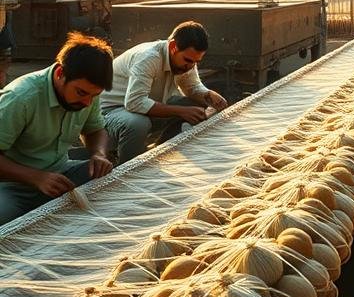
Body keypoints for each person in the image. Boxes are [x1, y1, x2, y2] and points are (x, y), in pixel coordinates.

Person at [0, 33, 114, 225]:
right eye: (81, 93)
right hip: (13, 186)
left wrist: (99, 154)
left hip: (60, 175)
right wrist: (37, 178)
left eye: (94, 96)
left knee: (106, 178)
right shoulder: (21, 97)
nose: (87, 102)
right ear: (61, 73)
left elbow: (95, 130)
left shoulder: (88, 94)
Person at [100, 21, 228, 164]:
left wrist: (208, 95)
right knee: (138, 124)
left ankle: (159, 151)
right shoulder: (149, 58)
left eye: (196, 62)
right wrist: (181, 111)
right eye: (188, 60)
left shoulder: (185, 62)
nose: (190, 66)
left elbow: (192, 87)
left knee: (197, 107)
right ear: (173, 47)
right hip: (110, 111)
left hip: (139, 107)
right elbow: (134, 102)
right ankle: (126, 168)